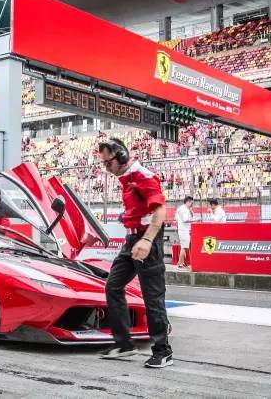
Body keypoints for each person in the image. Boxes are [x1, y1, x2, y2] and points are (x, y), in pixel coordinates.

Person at [97, 138, 173, 368]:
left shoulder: (143, 176)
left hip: (146, 239)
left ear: (121, 157)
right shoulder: (127, 178)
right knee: (113, 286)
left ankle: (163, 351)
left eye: (108, 163)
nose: (106, 168)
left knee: (152, 296)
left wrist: (147, 240)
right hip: (132, 240)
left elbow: (160, 210)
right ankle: (124, 344)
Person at [175, 196, 194, 269]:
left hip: (184, 230)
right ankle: (179, 264)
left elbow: (176, 218)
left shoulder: (183, 208)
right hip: (183, 230)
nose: (192, 204)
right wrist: (195, 220)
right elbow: (185, 220)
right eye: (191, 203)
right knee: (184, 247)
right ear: (188, 202)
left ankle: (182, 263)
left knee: (185, 247)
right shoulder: (183, 209)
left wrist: (191, 212)